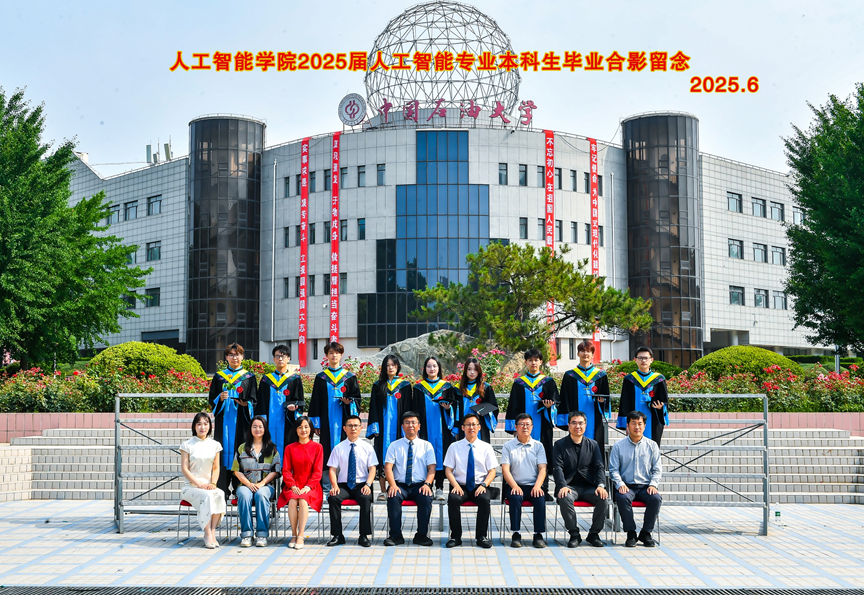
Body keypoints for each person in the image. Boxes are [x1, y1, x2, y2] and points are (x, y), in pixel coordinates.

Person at [505, 348, 561, 496]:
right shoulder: (519, 383)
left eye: (536, 360)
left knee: (544, 456)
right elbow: (513, 406)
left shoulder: (548, 382)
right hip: (523, 428)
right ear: (526, 362)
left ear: (541, 362)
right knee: (522, 458)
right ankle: (521, 487)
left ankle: (544, 489)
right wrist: (514, 428)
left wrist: (550, 406)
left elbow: (557, 403)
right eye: (530, 360)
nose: (533, 363)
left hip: (543, 426)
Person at [309, 341, 361, 492]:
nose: (334, 355)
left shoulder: (349, 377)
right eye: (331, 353)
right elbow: (315, 401)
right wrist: (316, 424)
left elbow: (356, 398)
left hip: (344, 420)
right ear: (326, 355)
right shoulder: (321, 377)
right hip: (326, 421)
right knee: (326, 450)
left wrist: (349, 402)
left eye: (337, 353)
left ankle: (344, 484)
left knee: (345, 450)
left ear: (341, 354)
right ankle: (326, 486)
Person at [554, 411, 609, 548]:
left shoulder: (593, 445)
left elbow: (599, 467)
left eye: (580, 423)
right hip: (569, 486)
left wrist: (601, 485)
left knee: (603, 498)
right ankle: (574, 534)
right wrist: (562, 485)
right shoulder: (560, 445)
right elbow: (557, 468)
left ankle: (594, 534)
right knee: (564, 497)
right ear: (568, 425)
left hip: (589, 486)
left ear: (585, 425)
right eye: (574, 423)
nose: (577, 426)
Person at [208, 343, 257, 497]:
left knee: (241, 450)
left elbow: (254, 400)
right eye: (231, 355)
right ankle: (222, 489)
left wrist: (246, 404)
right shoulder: (219, 377)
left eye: (237, 354)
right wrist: (220, 398)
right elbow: (211, 399)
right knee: (221, 451)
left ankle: (240, 489)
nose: (234, 357)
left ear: (242, 356)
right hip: (223, 422)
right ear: (226, 357)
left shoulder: (249, 377)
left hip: (242, 423)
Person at [444, 413, 498, 549]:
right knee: (453, 499)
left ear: (479, 427)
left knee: (484, 500)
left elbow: (492, 471)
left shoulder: (486, 447)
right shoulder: (454, 447)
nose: (471, 427)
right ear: (462, 427)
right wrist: (455, 485)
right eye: (468, 425)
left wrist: (484, 485)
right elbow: (448, 470)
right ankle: (455, 536)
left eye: (474, 424)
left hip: (480, 486)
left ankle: (481, 536)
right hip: (460, 486)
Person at [383, 411, 436, 547]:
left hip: (420, 485)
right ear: (402, 426)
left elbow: (431, 468)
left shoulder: (427, 446)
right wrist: (392, 485)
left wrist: (427, 484)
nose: (410, 425)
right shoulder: (394, 445)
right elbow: (388, 467)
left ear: (419, 426)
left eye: (413, 422)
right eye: (407, 422)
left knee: (426, 498)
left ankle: (421, 535)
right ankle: (395, 536)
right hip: (399, 485)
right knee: (393, 496)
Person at [610, 410, 663, 547]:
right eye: (633, 423)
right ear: (627, 425)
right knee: (622, 497)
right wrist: (620, 484)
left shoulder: (652, 445)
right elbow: (613, 470)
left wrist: (653, 484)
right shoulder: (618, 446)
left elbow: (657, 469)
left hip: (646, 486)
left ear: (644, 426)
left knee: (656, 499)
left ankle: (646, 533)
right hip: (627, 486)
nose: (637, 427)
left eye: (640, 423)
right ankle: (631, 533)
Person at [326, 415, 378, 547]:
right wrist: (334, 486)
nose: (353, 428)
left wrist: (368, 484)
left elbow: (372, 469)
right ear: (344, 428)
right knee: (333, 498)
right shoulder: (338, 448)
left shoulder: (367, 447)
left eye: (356, 426)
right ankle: (337, 535)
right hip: (344, 485)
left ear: (361, 428)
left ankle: (363, 535)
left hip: (362, 484)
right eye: (350, 426)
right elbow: (332, 469)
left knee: (365, 498)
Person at [367, 355, 414, 501]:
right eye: (387, 365)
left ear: (397, 366)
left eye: (393, 364)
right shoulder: (378, 385)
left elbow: (408, 407)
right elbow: (373, 408)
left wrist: (407, 427)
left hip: (399, 429)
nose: (390, 367)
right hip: (382, 428)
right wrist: (374, 428)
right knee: (382, 457)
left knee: (398, 457)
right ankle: (382, 490)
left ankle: (396, 487)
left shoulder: (405, 386)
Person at [231, 416, 281, 547]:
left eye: (260, 426)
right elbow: (237, 470)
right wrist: (248, 484)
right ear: (250, 429)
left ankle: (261, 534)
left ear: (265, 429)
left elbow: (275, 470)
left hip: (266, 486)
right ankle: (247, 535)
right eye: (254, 426)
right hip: (245, 484)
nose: (257, 429)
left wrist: (261, 483)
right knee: (243, 494)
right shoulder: (242, 448)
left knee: (261, 494)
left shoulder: (272, 449)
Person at [500, 413, 548, 548]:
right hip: (514, 484)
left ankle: (538, 534)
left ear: (532, 427)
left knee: (540, 498)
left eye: (527, 424)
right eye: (521, 424)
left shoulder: (538, 446)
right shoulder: (508, 446)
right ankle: (516, 533)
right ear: (516, 427)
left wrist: (538, 486)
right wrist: (514, 486)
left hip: (533, 485)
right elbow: (505, 469)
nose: (525, 427)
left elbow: (543, 469)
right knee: (515, 498)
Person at [180, 412, 226, 549]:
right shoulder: (187, 445)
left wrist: (213, 483)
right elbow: (184, 469)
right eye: (199, 424)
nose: (202, 427)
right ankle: (206, 533)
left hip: (208, 486)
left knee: (220, 494)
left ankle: (212, 530)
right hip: (191, 487)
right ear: (194, 426)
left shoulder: (215, 445)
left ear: (210, 426)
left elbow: (216, 468)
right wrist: (199, 484)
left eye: (206, 424)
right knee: (207, 496)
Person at [413, 356, 456, 500]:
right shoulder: (419, 388)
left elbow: (454, 407)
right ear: (425, 369)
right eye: (429, 366)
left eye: (434, 366)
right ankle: (427, 487)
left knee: (441, 457)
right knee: (426, 456)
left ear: (439, 368)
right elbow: (415, 409)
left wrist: (448, 409)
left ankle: (439, 488)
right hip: (425, 429)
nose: (432, 369)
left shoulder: (447, 387)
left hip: (443, 428)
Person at [278, 416, 323, 550]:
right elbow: (286, 470)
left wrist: (308, 486)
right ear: (296, 430)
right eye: (300, 427)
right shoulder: (289, 448)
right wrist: (292, 485)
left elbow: (318, 471)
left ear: (311, 429)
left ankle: (301, 535)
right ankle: (294, 534)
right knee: (292, 501)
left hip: (312, 486)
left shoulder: (318, 447)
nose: (303, 430)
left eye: (306, 427)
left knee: (303, 501)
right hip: (293, 484)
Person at [559, 340, 611, 454]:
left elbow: (606, 396)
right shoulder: (570, 375)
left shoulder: (600, 375)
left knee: (595, 445)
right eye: (582, 351)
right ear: (578, 354)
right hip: (575, 417)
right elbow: (564, 398)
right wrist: (565, 419)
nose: (585, 354)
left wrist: (602, 402)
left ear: (592, 354)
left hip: (595, 417)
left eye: (588, 351)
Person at [256, 344, 304, 456]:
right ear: (273, 359)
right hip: (269, 421)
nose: (280, 359)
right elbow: (261, 401)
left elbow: (300, 400)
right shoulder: (266, 380)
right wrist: (262, 421)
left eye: (283, 356)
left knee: (288, 446)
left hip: (288, 421)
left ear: (288, 358)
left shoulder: (295, 379)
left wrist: (295, 408)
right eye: (277, 356)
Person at [617, 346, 669, 445]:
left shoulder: (659, 379)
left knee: (652, 446)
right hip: (633, 421)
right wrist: (626, 424)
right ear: (635, 360)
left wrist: (661, 407)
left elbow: (664, 400)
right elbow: (625, 402)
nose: (643, 361)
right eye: (640, 358)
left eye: (646, 358)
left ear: (651, 360)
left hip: (653, 420)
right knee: (633, 447)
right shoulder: (629, 379)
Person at [454, 357, 498, 443]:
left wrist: (485, 412)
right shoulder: (457, 389)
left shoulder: (485, 388)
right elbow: (455, 410)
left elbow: (494, 407)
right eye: (469, 369)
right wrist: (456, 429)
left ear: (479, 371)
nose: (472, 372)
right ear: (465, 370)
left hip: (481, 426)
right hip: (463, 426)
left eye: (475, 369)